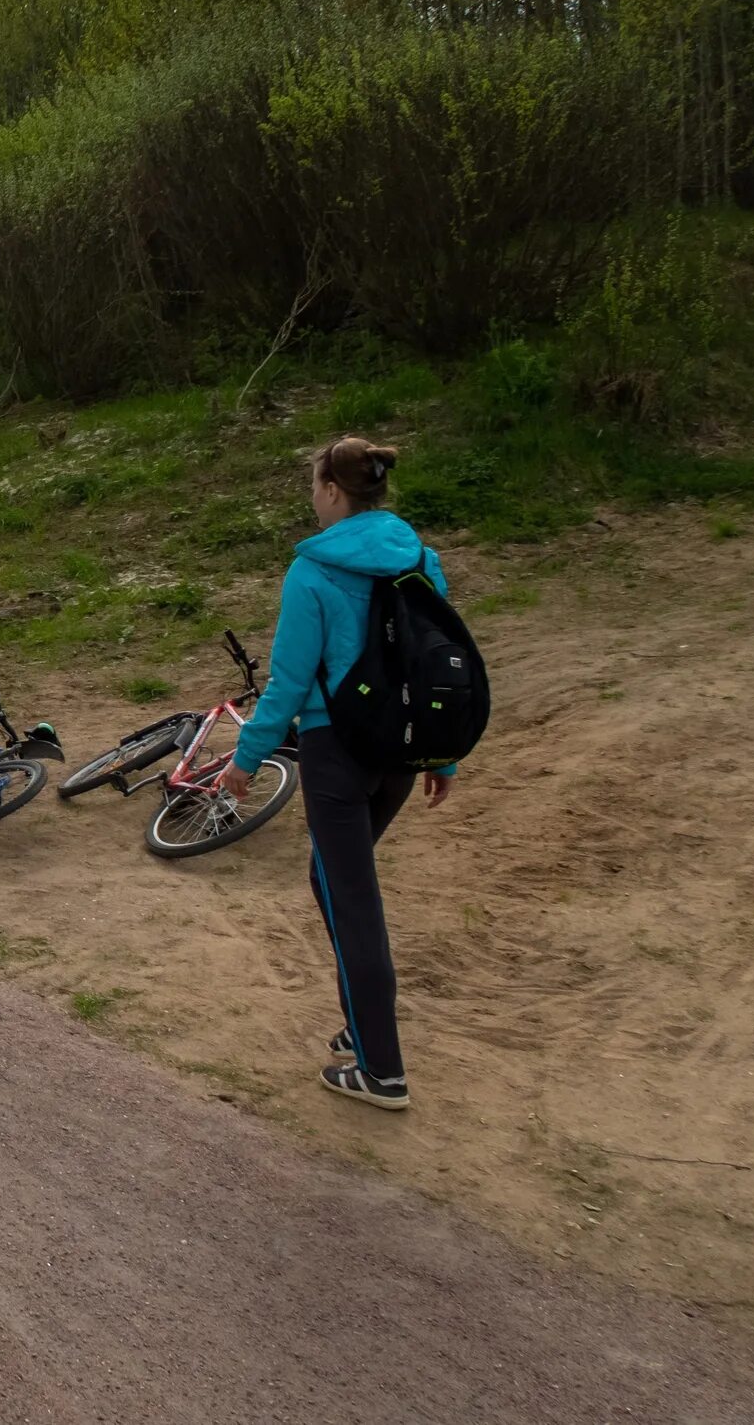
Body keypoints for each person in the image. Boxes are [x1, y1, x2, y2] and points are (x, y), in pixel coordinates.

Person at [215, 436, 454, 1112]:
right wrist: (443, 754)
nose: (311, 497)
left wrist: (245, 760)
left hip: (336, 753)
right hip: (400, 756)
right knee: (334, 882)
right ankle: (361, 1025)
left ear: (331, 491)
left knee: (350, 898)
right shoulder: (421, 562)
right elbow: (437, 665)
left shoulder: (312, 572)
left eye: (314, 485)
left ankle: (382, 1070)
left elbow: (288, 684)